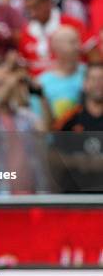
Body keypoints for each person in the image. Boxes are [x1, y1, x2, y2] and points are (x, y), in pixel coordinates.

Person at [18, 0, 94, 76]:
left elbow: (94, 55)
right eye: (29, 9)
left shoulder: (72, 24)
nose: (32, 13)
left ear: (48, 3)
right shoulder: (26, 32)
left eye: (36, 7)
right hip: (37, 86)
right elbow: (25, 66)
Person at [55, 63, 103, 192]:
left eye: (101, 79)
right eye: (93, 79)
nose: (98, 84)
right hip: (75, 195)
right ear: (85, 84)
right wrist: (78, 161)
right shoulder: (69, 119)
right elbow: (53, 154)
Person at [38, 27, 86, 121]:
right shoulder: (42, 83)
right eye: (72, 42)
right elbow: (40, 121)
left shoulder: (91, 74)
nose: (78, 46)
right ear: (56, 48)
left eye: (78, 41)